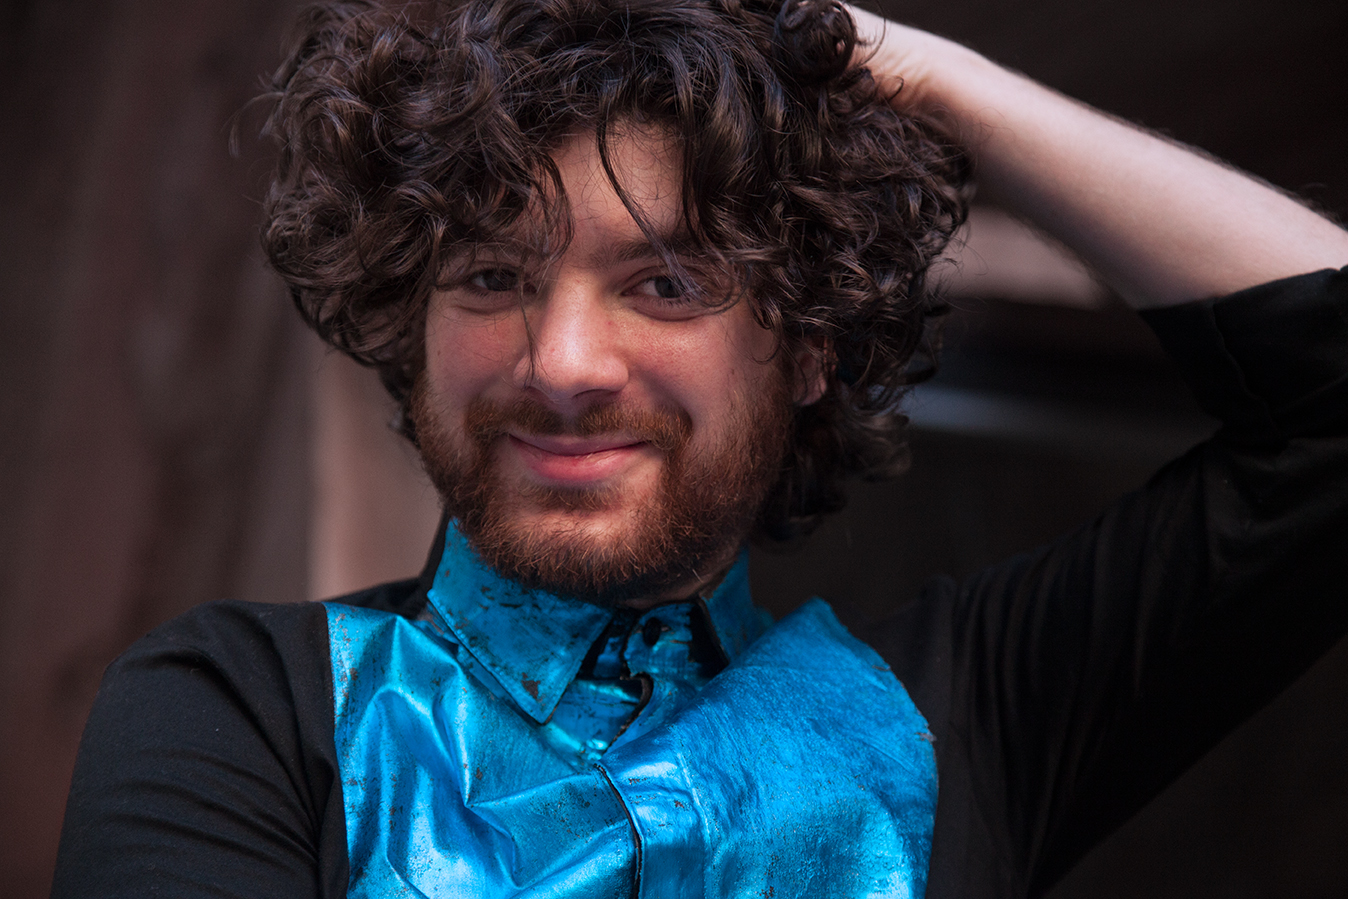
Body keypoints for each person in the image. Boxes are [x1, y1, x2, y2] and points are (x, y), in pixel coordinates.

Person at [52, 0, 1348, 896]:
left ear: (808, 346)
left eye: (665, 284)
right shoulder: (237, 712)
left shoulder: (962, 721)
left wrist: (928, 78)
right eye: (494, 275)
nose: (562, 363)